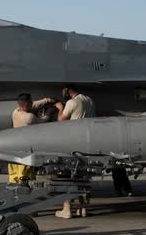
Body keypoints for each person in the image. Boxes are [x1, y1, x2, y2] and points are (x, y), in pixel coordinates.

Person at [55, 84, 95, 218]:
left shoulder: (72, 102)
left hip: (73, 142)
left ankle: (67, 210)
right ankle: (83, 209)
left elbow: (61, 120)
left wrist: (60, 108)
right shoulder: (89, 100)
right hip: (88, 142)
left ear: (67, 89)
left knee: (68, 176)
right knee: (85, 177)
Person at [8, 92, 62, 184]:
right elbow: (43, 121)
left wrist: (47, 100)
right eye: (31, 102)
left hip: (13, 151)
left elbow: (34, 105)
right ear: (27, 104)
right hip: (24, 153)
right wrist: (49, 112)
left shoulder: (15, 112)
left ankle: (14, 192)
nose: (33, 103)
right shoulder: (29, 117)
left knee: (14, 177)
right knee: (25, 177)